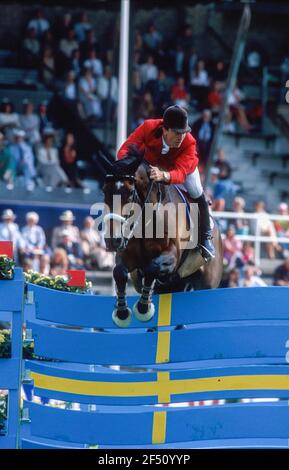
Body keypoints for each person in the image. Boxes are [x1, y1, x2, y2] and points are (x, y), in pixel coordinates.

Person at [116, 105, 215, 259]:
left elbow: (181, 173)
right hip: (151, 165)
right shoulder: (148, 127)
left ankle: (206, 237)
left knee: (196, 191)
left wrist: (164, 175)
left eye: (184, 132)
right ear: (165, 129)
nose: (181, 137)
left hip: (182, 170)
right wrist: (131, 166)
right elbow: (124, 151)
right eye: (177, 133)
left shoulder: (189, 142)